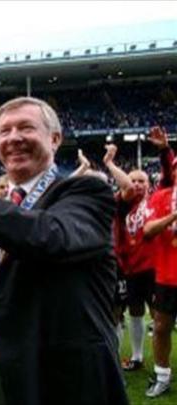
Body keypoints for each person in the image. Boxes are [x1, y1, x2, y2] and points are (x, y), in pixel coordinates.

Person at [0, 97, 127, 405]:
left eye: (26, 128)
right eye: (4, 131)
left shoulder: (86, 192)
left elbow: (49, 237)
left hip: (65, 381)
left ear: (55, 139)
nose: (14, 138)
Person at [103, 129, 174, 373]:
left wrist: (164, 149)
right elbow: (127, 189)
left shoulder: (156, 199)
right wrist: (110, 163)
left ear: (149, 184)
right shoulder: (122, 204)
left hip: (155, 268)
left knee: (159, 316)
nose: (137, 185)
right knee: (134, 312)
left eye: (142, 181)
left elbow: (168, 173)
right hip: (130, 268)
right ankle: (136, 356)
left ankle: (161, 363)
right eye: (133, 180)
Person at [143, 155, 177, 398]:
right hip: (167, 275)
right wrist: (173, 216)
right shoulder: (160, 196)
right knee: (162, 327)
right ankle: (162, 377)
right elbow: (147, 231)